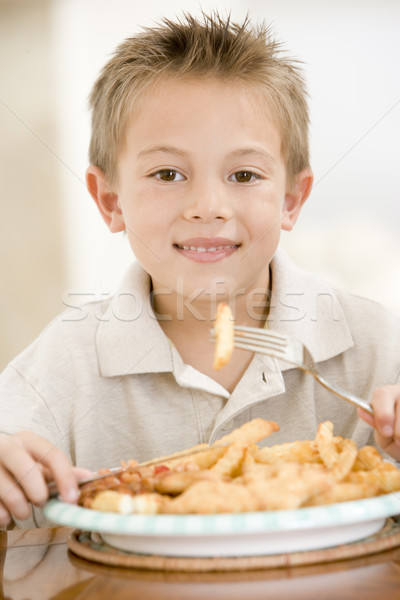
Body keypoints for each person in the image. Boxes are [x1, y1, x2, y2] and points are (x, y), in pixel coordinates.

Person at [0, 11, 399, 529]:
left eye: (243, 174)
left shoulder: (379, 351)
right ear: (111, 201)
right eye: (168, 173)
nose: (208, 206)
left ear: (291, 200)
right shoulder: (54, 375)